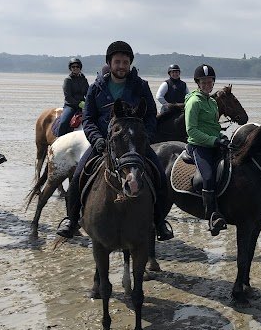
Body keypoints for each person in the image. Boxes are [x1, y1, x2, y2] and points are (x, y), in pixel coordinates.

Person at [56, 41, 174, 241]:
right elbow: (88, 119)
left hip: (134, 145)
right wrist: (97, 140)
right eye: (117, 62)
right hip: (103, 143)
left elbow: (151, 116)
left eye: (125, 62)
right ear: (109, 63)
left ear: (130, 64)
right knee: (77, 178)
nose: (121, 66)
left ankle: (159, 222)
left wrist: (144, 137)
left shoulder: (141, 86)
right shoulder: (96, 88)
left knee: (161, 178)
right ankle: (72, 219)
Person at [185, 64, 229, 236]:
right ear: (198, 83)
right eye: (203, 82)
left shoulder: (212, 102)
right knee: (209, 177)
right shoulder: (194, 102)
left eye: (209, 82)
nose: (207, 85)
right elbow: (191, 130)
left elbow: (214, 126)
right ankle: (211, 215)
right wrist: (213, 140)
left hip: (214, 144)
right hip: (199, 146)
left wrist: (221, 137)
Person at [56, 57, 89, 137]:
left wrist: (88, 102)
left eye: (77, 66)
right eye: (73, 67)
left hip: (83, 105)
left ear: (80, 67)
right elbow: (68, 97)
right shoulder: (68, 80)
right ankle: (59, 139)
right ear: (70, 68)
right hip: (70, 106)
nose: (75, 68)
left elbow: (88, 93)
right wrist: (78, 103)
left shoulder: (84, 79)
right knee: (63, 122)